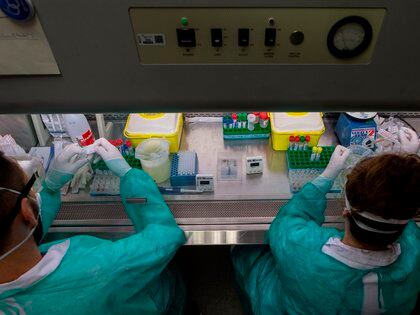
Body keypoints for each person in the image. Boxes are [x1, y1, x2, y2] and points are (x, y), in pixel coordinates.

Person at [232, 129, 420, 314]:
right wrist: (402, 168)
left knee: (246, 250)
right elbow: (396, 211)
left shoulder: (304, 247)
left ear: (346, 212)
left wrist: (325, 177)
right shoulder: (415, 249)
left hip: (282, 305)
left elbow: (285, 224)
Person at [0, 138, 186, 314]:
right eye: (30, 184)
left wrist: (50, 188)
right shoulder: (105, 267)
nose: (34, 190)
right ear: (26, 211)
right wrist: (129, 176)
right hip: (152, 298)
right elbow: (166, 235)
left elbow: (17, 231)